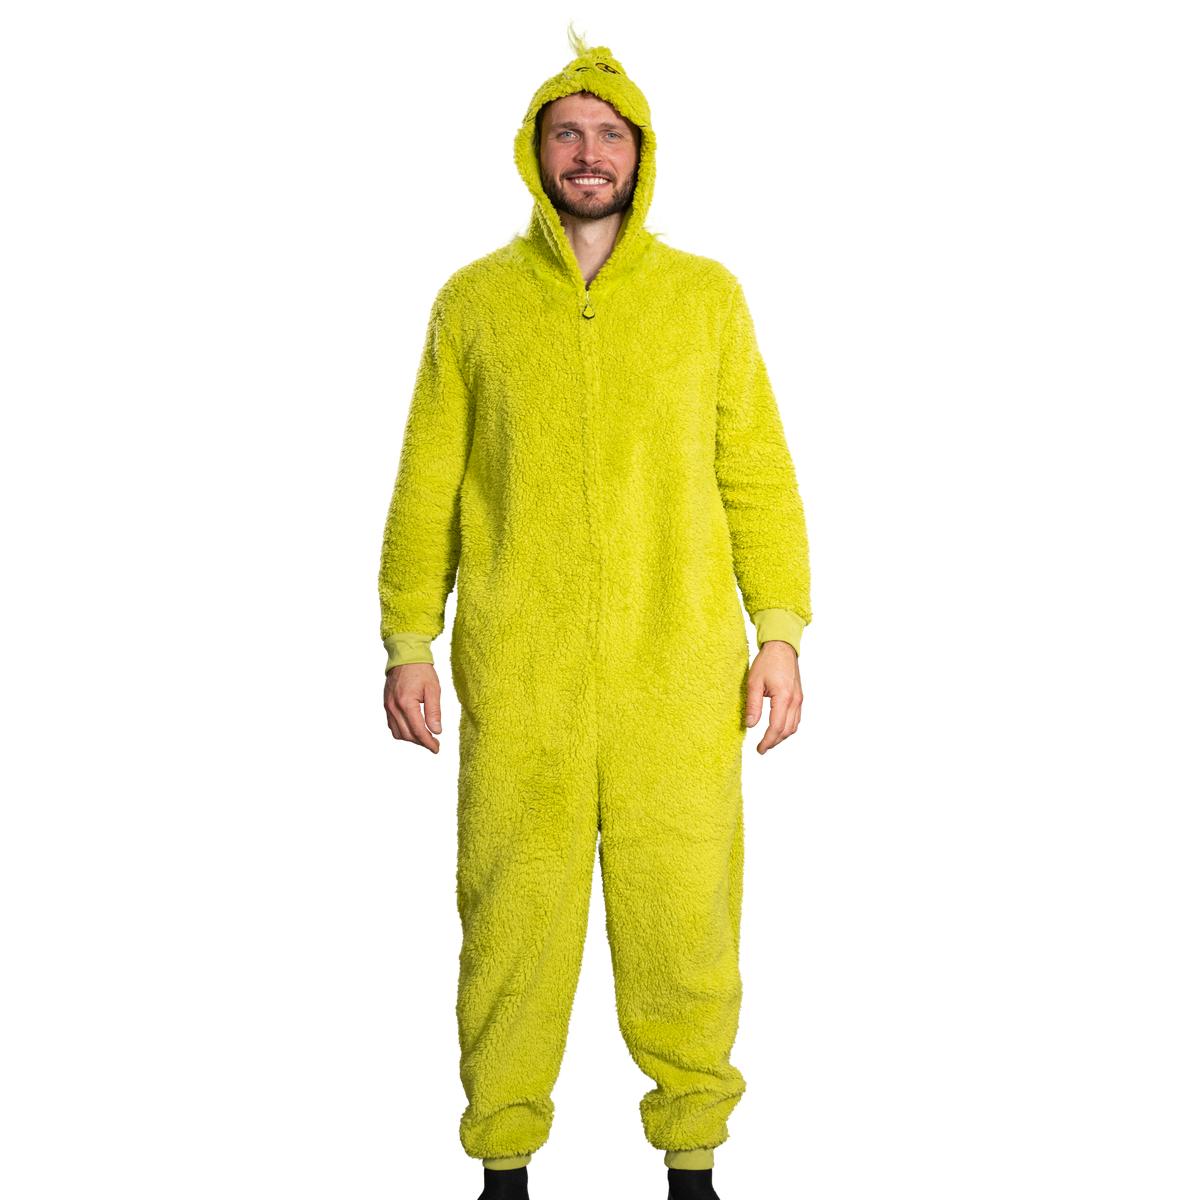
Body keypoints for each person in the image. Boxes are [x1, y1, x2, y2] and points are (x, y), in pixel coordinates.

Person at [378, 27, 812, 1200]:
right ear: (535, 152)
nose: (586, 154)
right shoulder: (474, 305)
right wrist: (410, 640)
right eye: (566, 134)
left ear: (641, 153)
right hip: (522, 677)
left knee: (685, 917)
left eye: (607, 135)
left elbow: (757, 473)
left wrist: (779, 630)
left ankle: (692, 1164)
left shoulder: (704, 300)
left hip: (680, 673)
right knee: (511, 919)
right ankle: (504, 1163)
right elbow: (427, 482)